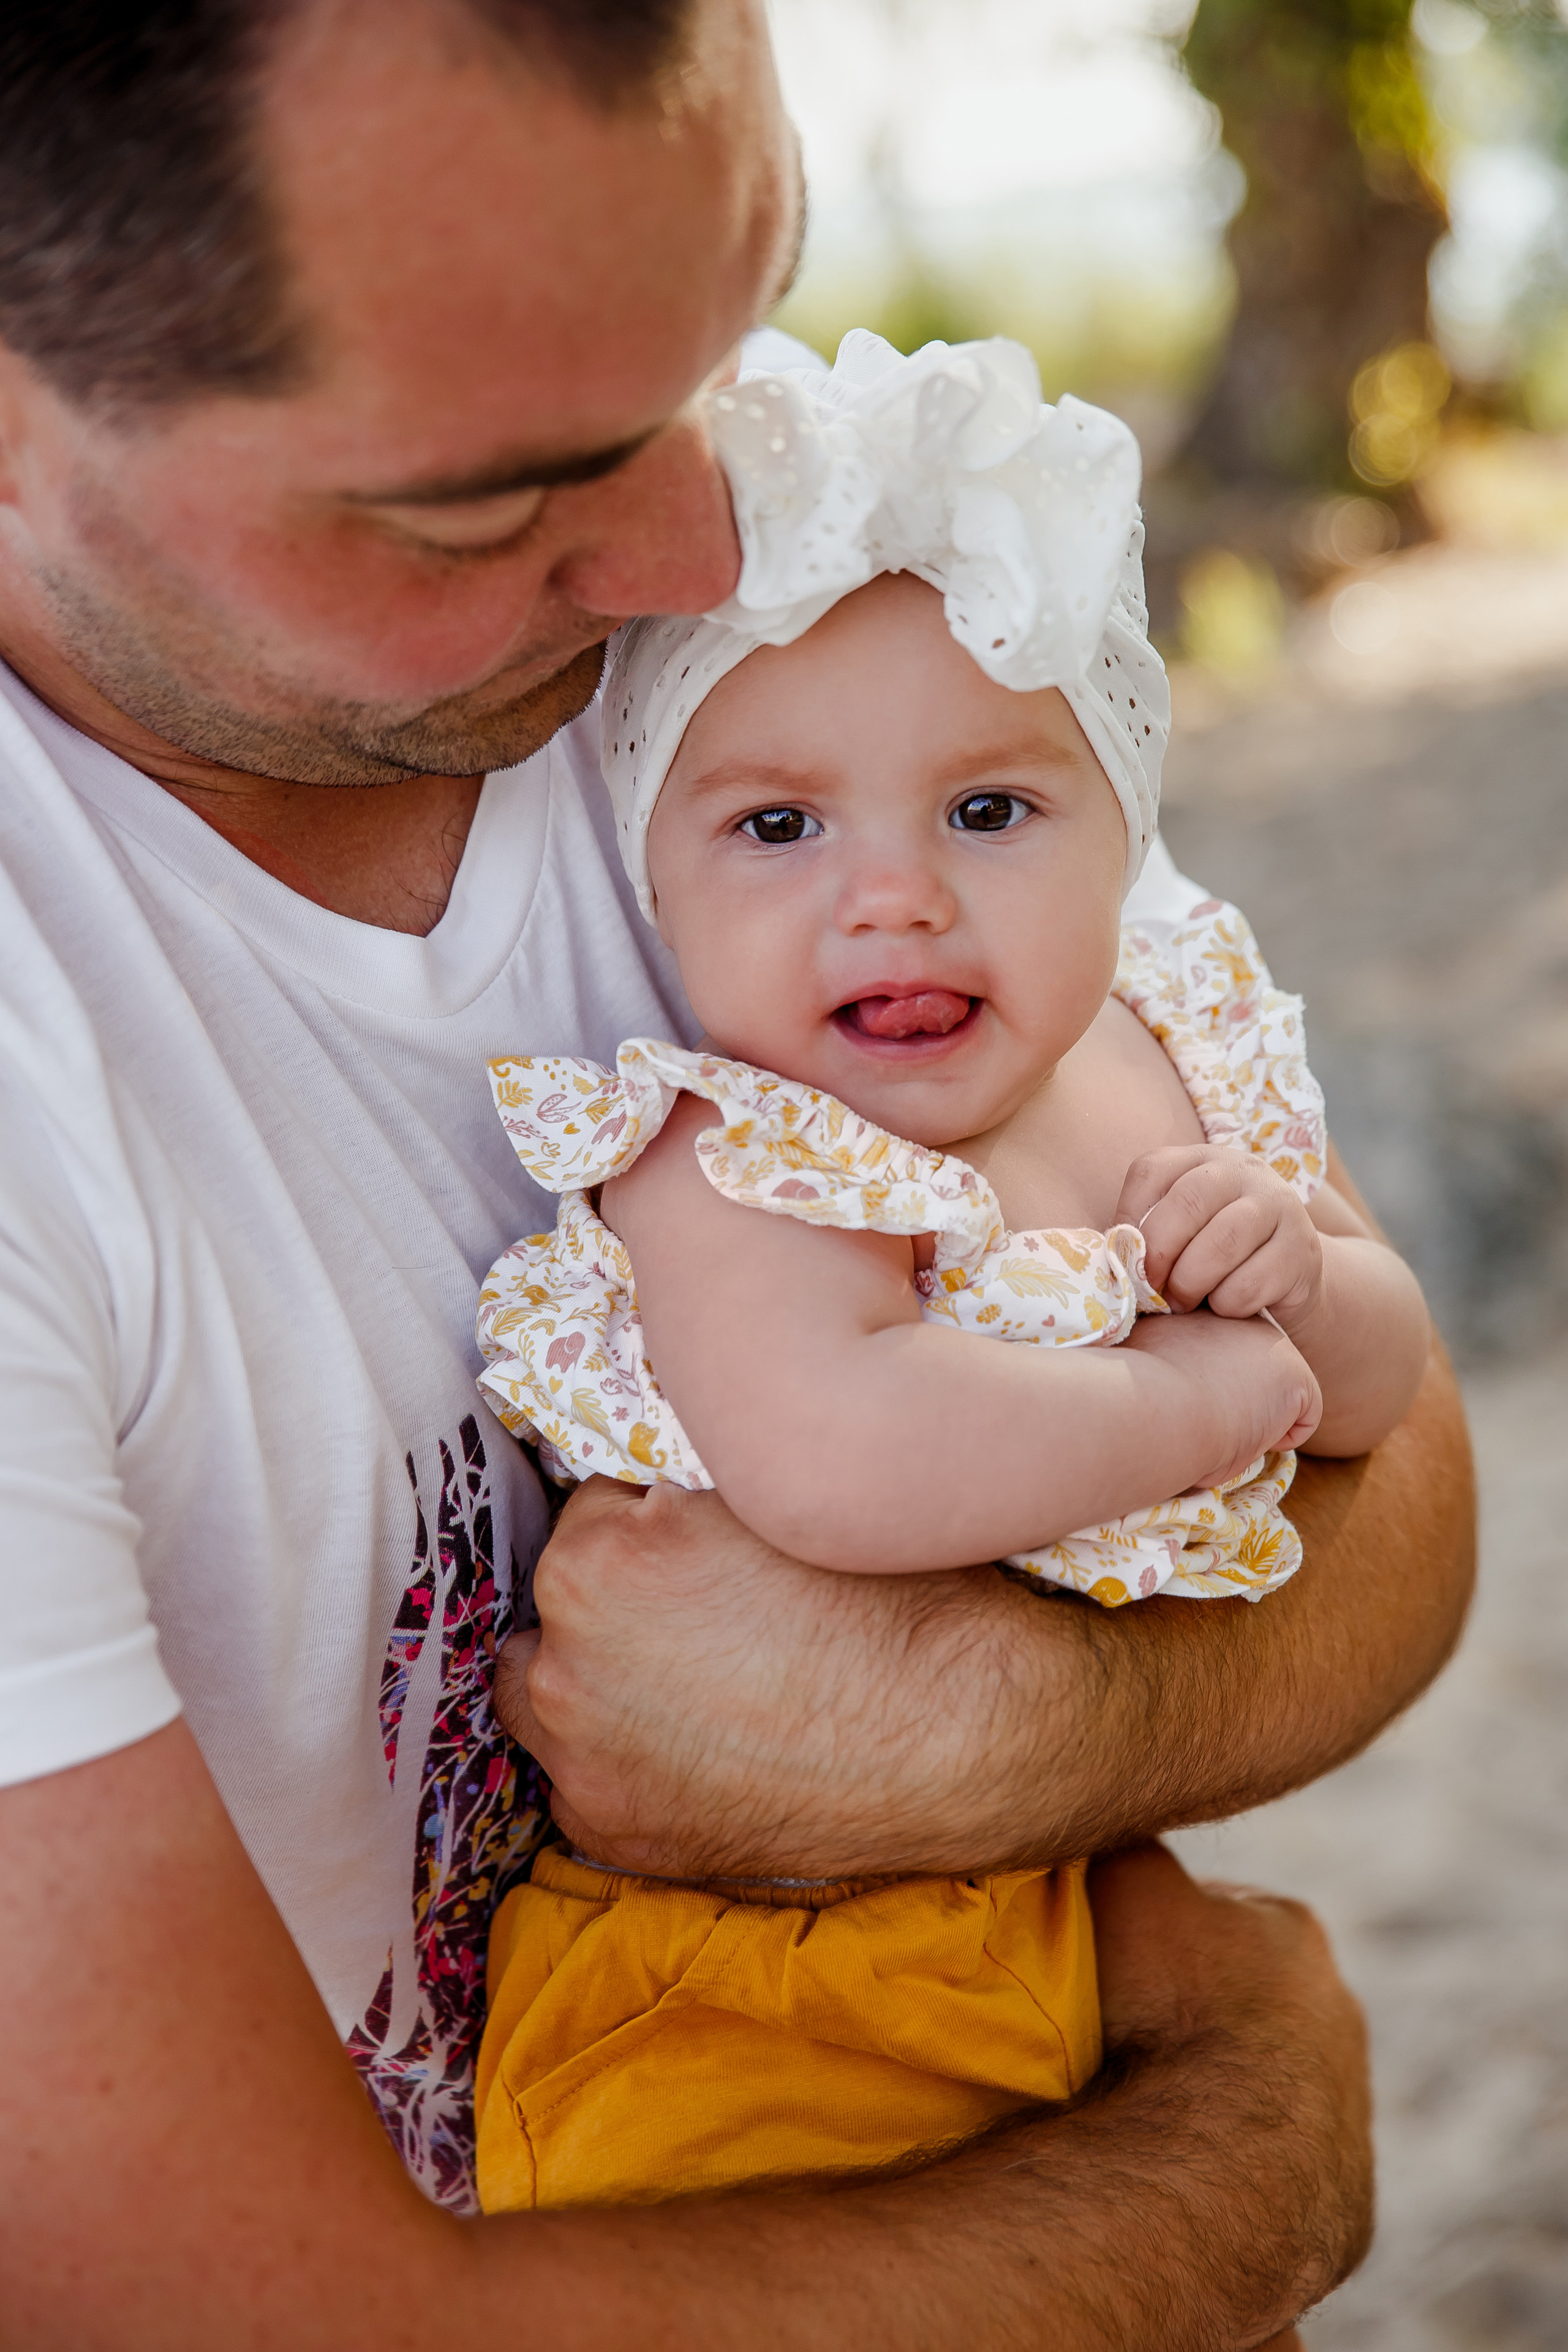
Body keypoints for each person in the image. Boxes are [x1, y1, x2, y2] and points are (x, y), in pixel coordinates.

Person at [0, 2, 1470, 2345]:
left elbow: (1413, 1473)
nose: (703, 546)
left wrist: (975, 1727)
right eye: (491, 495)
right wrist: (1222, 2163)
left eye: (735, 312)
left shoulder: (841, 661)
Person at [470, 334, 1430, 2214]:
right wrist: (1201, 1388)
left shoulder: (1160, 1053)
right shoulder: (734, 1153)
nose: (892, 893)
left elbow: (1385, 1381)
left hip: (1065, 1877)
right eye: (777, 826)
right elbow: (845, 1451)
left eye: (989, 812)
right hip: (750, 1976)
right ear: (651, 879)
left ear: (1124, 836)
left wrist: (1300, 1283)